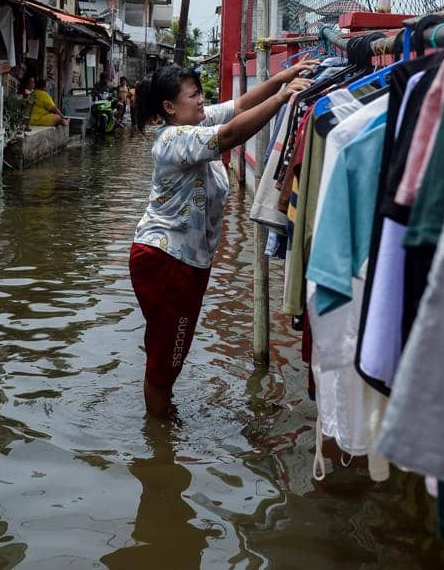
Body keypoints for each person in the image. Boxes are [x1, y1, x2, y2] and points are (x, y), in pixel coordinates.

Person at [129, 61, 316, 416]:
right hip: (167, 261)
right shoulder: (173, 139)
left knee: (167, 350)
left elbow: (240, 106)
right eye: (193, 95)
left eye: (201, 93)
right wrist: (282, 100)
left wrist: (283, 78)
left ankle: (161, 424)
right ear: (170, 107)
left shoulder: (196, 120)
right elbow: (230, 134)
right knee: (166, 359)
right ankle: (161, 439)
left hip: (181, 260)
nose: (201, 100)